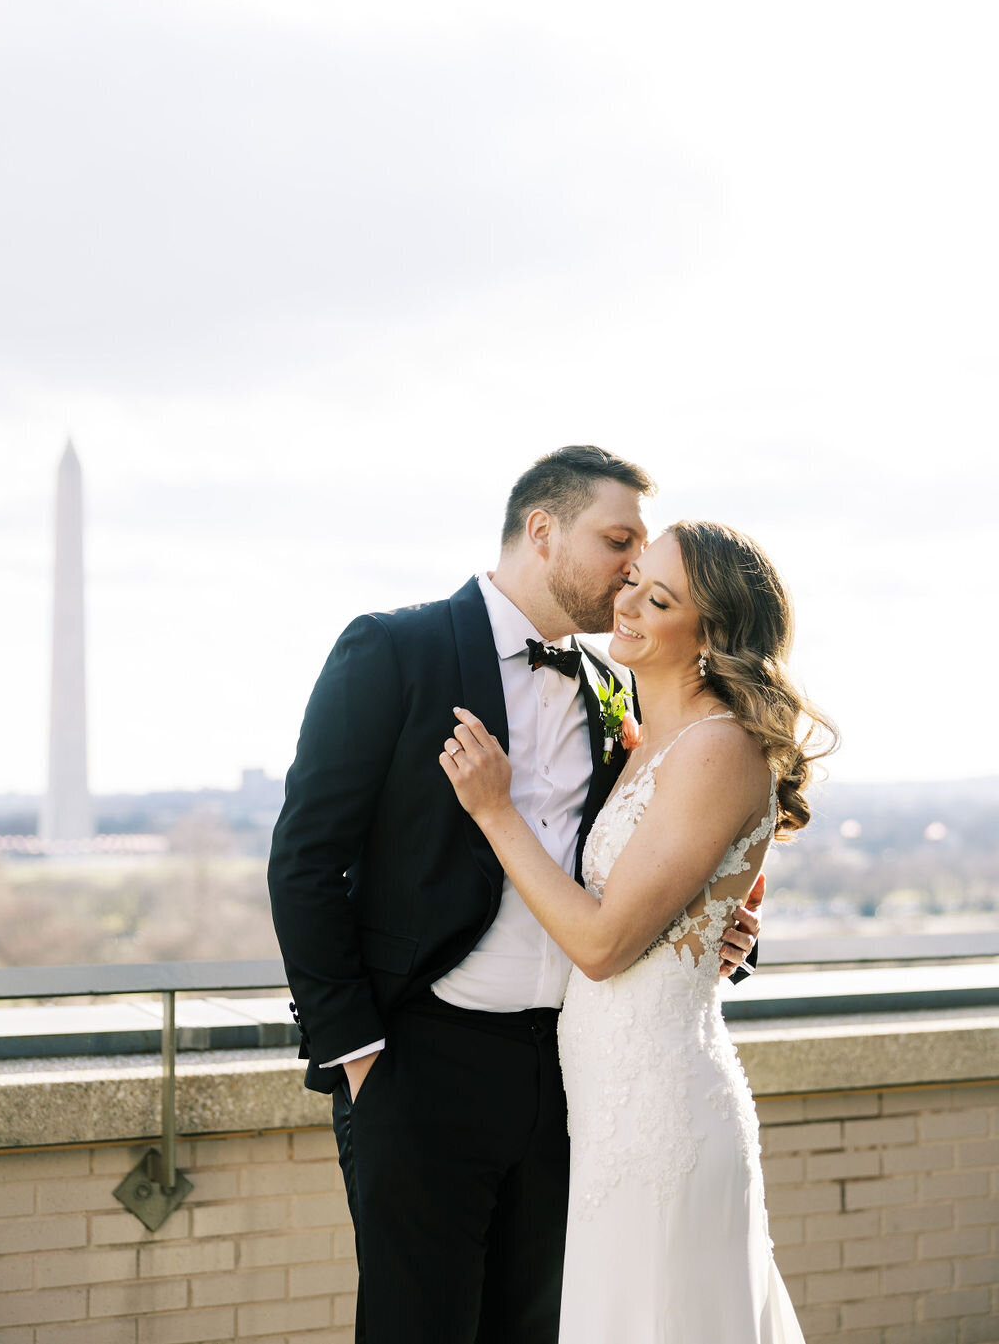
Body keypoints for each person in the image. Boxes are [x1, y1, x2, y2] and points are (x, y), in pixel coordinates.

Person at [267, 449, 762, 1344]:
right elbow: (304, 859)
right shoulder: (395, 648)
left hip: (572, 1079)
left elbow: (664, 854)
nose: (629, 569)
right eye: (619, 541)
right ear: (543, 530)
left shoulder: (617, 688)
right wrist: (360, 1057)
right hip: (420, 1066)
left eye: (643, 553)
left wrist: (724, 927)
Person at [441, 519, 837, 1343]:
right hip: (606, 1112)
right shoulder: (653, 742)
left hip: (661, 1117)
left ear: (711, 636)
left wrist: (493, 809)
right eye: (632, 581)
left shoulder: (718, 748)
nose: (626, 602)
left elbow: (602, 943)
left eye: (659, 597)